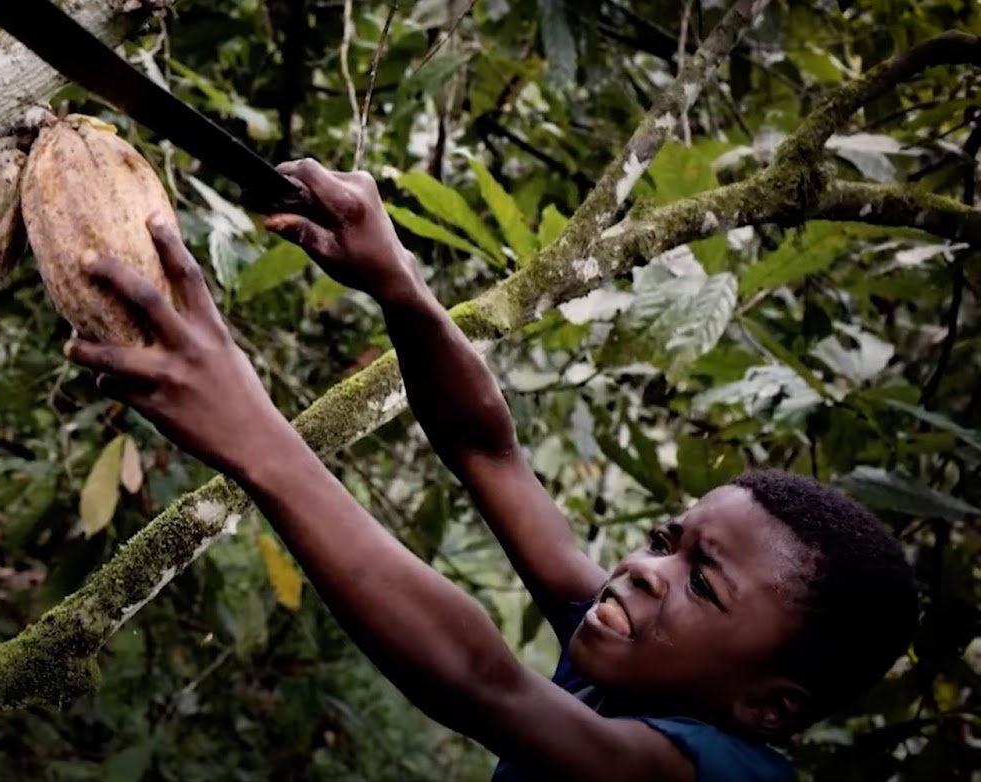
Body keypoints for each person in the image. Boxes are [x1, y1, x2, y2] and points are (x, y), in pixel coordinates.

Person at [62, 159, 920, 782]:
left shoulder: (719, 771)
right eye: (669, 541)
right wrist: (397, 282)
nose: (645, 571)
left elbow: (483, 685)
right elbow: (487, 451)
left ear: (769, 707)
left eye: (703, 585)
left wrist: (257, 438)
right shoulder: (633, 657)